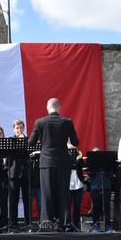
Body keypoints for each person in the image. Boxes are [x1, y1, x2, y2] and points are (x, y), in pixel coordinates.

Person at [28, 98, 79, 232]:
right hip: (63, 163)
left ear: (47, 107)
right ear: (59, 107)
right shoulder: (67, 122)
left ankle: (46, 223)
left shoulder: (40, 122)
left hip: (46, 163)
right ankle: (66, 223)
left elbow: (31, 143)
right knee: (64, 193)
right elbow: (76, 141)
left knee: (47, 194)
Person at [7, 120, 31, 230]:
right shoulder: (10, 140)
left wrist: (24, 140)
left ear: (24, 128)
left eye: (21, 128)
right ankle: (13, 224)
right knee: (13, 199)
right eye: (17, 128)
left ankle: (28, 223)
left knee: (27, 199)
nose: (19, 130)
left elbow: (29, 153)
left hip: (25, 172)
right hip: (13, 172)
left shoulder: (28, 140)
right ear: (14, 129)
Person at [88, 147, 112, 232]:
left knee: (106, 207)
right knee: (96, 207)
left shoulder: (106, 163)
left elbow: (110, 173)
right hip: (95, 187)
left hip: (106, 186)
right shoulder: (91, 163)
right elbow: (90, 174)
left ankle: (108, 225)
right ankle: (96, 226)